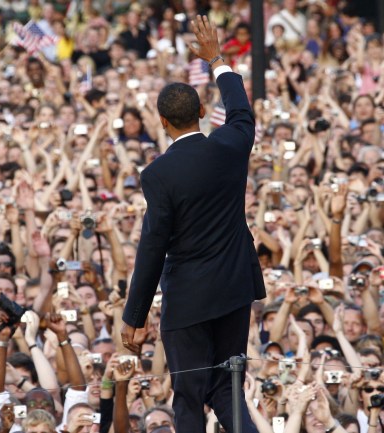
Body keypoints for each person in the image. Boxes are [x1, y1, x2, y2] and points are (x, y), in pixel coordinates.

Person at [121, 15, 265, 433]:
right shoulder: (230, 144)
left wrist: (136, 313)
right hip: (235, 288)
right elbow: (241, 111)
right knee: (227, 387)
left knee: (188, 396)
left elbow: (153, 245)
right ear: (203, 112)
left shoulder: (158, 174)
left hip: (188, 299)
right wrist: (217, 58)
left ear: (163, 123)